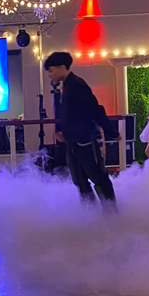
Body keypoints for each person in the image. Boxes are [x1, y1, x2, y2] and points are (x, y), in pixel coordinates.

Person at [43, 51, 118, 205]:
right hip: (74, 141)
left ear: (62, 67)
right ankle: (90, 212)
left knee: (97, 176)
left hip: (85, 140)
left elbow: (95, 109)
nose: (49, 75)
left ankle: (111, 213)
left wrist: (111, 132)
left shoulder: (77, 84)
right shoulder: (68, 86)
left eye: (51, 71)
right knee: (79, 179)